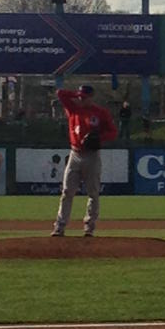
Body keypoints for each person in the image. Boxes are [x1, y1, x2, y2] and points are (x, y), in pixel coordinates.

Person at [51, 84, 118, 237]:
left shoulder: (100, 113)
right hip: (75, 154)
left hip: (92, 155)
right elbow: (60, 93)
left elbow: (113, 132)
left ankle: (89, 227)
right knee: (67, 191)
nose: (81, 98)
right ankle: (59, 227)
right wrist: (76, 94)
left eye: (85, 96)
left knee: (93, 193)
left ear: (91, 97)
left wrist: (100, 138)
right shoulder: (73, 109)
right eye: (80, 96)